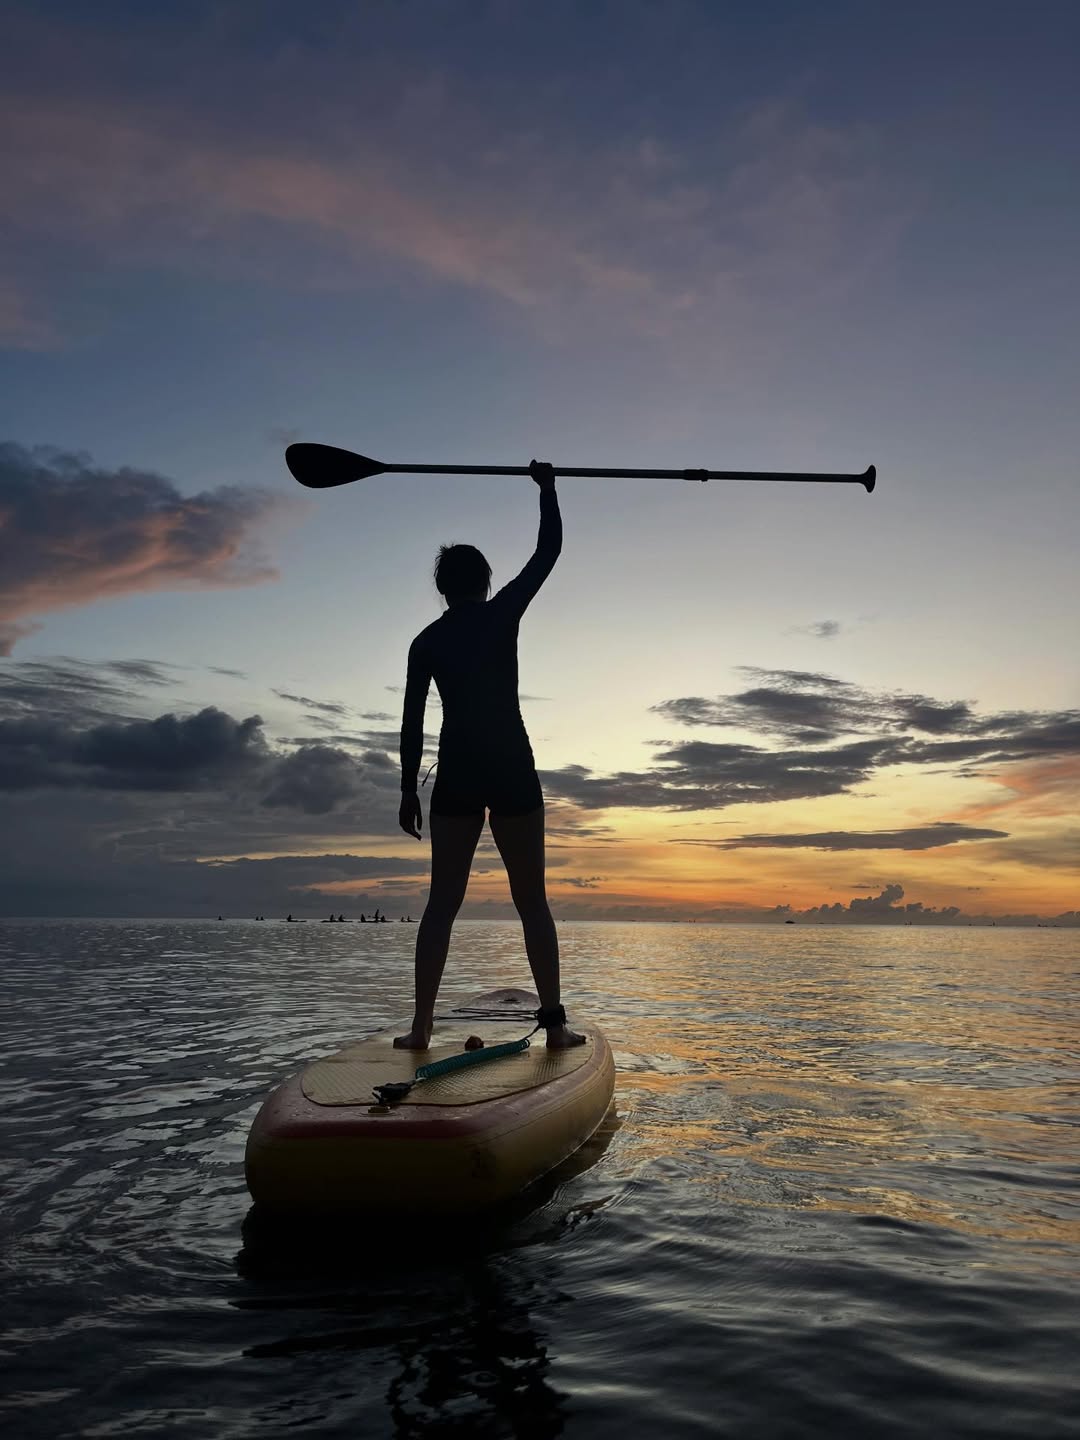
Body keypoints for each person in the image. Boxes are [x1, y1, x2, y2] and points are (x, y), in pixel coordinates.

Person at [396, 459, 585, 1051]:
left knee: (441, 906)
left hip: (455, 774)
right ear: (484, 580)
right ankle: (554, 1027)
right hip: (509, 767)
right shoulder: (503, 613)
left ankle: (421, 1029)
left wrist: (407, 788)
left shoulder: (426, 641)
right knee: (532, 901)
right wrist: (548, 488)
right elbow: (548, 551)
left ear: (443, 588)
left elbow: (411, 722)